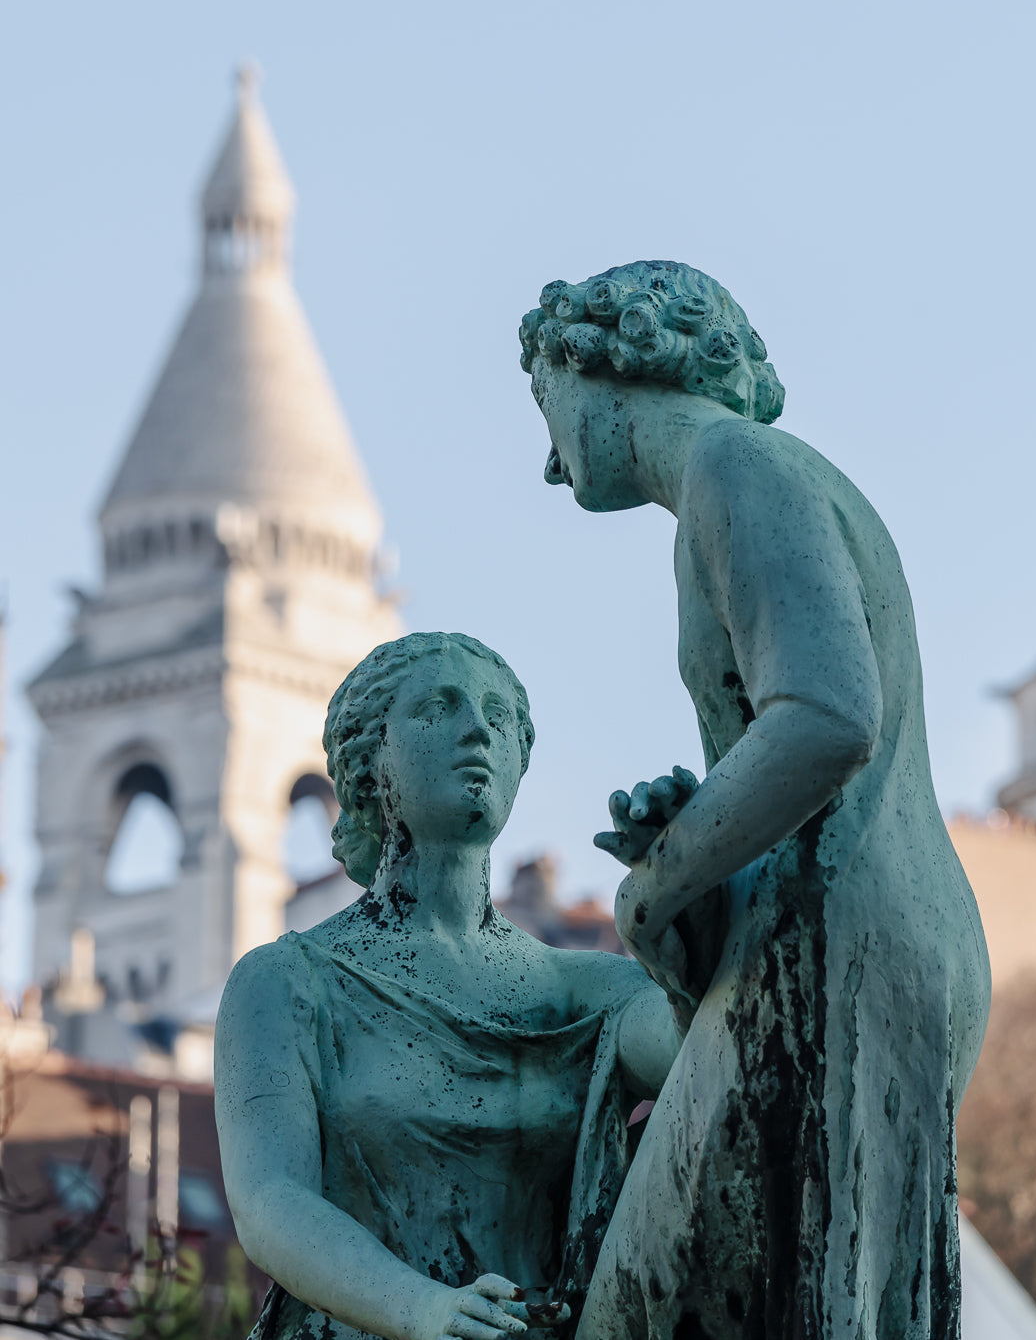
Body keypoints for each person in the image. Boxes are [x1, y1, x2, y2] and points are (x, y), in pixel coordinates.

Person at [520, 262, 992, 1340]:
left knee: (652, 1309)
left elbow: (826, 716)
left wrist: (660, 881)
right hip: (860, 937)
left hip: (842, 950)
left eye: (546, 402)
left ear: (606, 362)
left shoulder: (737, 466)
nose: (548, 459)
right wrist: (702, 830)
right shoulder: (752, 484)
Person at [214, 632, 678, 1340]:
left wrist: (686, 889)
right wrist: (421, 1307)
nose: (476, 731)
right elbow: (269, 1201)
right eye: (439, 706)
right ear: (370, 760)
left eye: (499, 717)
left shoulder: (589, 993)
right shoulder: (287, 982)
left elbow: (708, 1055)